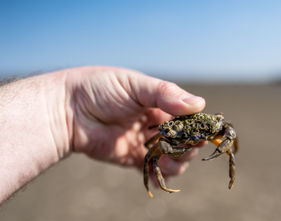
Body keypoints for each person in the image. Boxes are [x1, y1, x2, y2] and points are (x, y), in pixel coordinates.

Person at [0, 66, 206, 203]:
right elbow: (150, 146)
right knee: (151, 156)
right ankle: (155, 183)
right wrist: (67, 103)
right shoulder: (161, 135)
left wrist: (67, 103)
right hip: (166, 133)